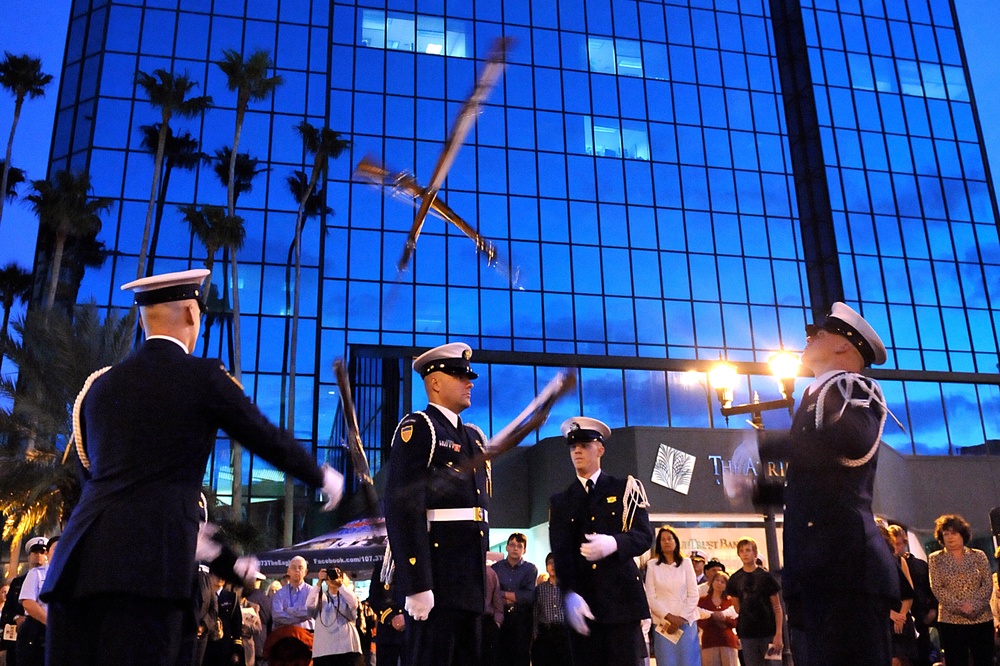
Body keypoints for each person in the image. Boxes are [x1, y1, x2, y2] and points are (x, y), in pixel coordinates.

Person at [40, 269, 344, 666]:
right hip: (150, 573)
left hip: (76, 572)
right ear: (190, 314)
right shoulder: (202, 376)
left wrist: (217, 551)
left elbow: (92, 479)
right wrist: (321, 475)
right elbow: (260, 433)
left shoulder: (98, 385)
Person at [759, 302, 899, 666]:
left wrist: (767, 446)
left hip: (846, 571)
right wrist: (759, 490)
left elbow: (852, 443)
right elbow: (813, 484)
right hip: (818, 572)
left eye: (818, 334)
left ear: (843, 347)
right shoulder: (817, 396)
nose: (809, 338)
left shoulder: (852, 388)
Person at [383, 342, 492, 666]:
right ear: (434, 382)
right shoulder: (420, 428)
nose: (469, 382)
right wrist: (417, 583)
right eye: (460, 375)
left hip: (469, 586)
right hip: (436, 583)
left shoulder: (473, 438)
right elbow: (403, 507)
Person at [548, 416, 654, 666]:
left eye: (584, 445)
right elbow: (561, 554)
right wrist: (569, 593)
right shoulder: (562, 501)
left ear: (600, 449)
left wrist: (615, 543)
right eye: (573, 446)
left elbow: (644, 536)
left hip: (621, 603)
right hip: (584, 604)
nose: (577, 451)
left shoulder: (624, 489)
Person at [927, 514, 992, 666]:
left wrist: (973, 606)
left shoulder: (978, 555)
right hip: (951, 620)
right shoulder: (935, 558)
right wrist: (960, 606)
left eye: (954, 533)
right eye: (946, 534)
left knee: (984, 660)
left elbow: (987, 584)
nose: (950, 537)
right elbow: (937, 587)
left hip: (981, 617)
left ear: (963, 534)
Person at [643, 525, 701, 666]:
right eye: (663, 539)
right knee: (667, 662)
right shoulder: (652, 565)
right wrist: (670, 617)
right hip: (663, 624)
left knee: (689, 661)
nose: (667, 542)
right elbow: (650, 597)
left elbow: (693, 594)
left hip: (686, 622)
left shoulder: (686, 563)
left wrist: (681, 619)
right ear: (659, 544)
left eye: (670, 538)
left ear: (676, 541)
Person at [724, 538, 782, 666]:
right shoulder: (735, 579)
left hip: (769, 632)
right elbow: (737, 607)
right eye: (742, 551)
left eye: (748, 550)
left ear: (755, 553)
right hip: (748, 634)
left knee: (774, 664)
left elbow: (777, 607)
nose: (745, 553)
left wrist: (778, 634)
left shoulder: (766, 577)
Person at [890, 525, 937, 666]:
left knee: (922, 656)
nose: (896, 548)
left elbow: (931, 589)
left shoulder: (919, 565)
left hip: (918, 617)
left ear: (905, 543)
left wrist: (932, 609)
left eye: (899, 543)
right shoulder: (887, 564)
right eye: (892, 544)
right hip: (896, 617)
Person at [0, 537, 47, 666]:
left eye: (42, 552)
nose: (38, 556)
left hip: (41, 636)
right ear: (29, 557)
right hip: (20, 637)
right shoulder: (17, 583)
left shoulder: (50, 580)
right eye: (35, 552)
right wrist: (16, 617)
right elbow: (7, 610)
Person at [492, 532, 537, 666]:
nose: (515, 548)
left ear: (524, 550)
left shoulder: (530, 569)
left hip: (522, 619)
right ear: (506, 547)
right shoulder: (496, 568)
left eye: (519, 546)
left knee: (520, 658)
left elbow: (528, 597)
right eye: (512, 545)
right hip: (501, 617)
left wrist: (502, 594)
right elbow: (493, 595)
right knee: (500, 657)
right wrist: (515, 596)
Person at [15, 537, 58, 666]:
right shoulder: (36, 573)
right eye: (55, 549)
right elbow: (28, 602)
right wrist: (50, 622)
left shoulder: (70, 574)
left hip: (61, 629)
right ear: (47, 553)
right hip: (38, 630)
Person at [308, 567, 364, 666]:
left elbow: (353, 603)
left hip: (347, 649)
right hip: (324, 651)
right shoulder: (320, 597)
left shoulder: (347, 595)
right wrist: (319, 583)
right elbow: (309, 605)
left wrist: (340, 585)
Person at [532, 552, 571, 666]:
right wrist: (535, 634)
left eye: (556, 563)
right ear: (546, 567)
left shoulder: (567, 588)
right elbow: (535, 612)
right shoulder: (540, 589)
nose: (553, 566)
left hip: (563, 633)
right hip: (545, 634)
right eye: (550, 563)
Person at [698, 570, 738, 666]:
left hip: (728, 642)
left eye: (723, 582)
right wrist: (713, 617)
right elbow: (700, 621)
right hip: (709, 642)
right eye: (717, 580)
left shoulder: (730, 601)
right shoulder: (703, 601)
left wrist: (724, 619)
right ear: (712, 582)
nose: (719, 583)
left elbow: (735, 621)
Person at [367, 564, 405, 666]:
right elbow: (374, 598)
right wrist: (391, 617)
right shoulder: (383, 566)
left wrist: (406, 617)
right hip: (388, 633)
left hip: (412, 630)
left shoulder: (418, 562)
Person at [273, 557, 314, 631]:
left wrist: (288, 611)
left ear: (305, 572)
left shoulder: (312, 592)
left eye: (300, 567)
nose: (297, 570)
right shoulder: (279, 594)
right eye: (293, 567)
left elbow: (311, 612)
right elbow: (277, 616)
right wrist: (300, 616)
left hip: (307, 636)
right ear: (288, 571)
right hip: (284, 636)